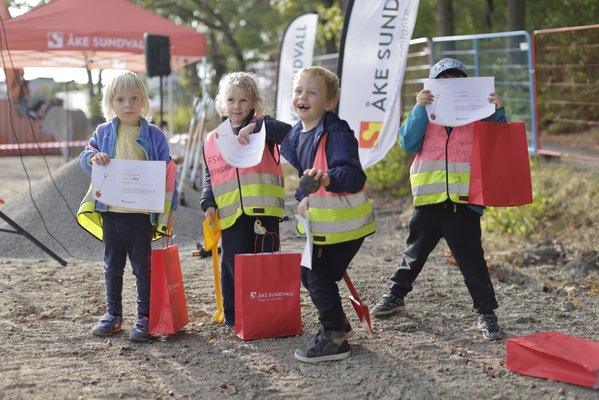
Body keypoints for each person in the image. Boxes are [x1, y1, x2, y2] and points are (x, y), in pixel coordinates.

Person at [371, 58, 505, 341]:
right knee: (414, 253)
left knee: (472, 261)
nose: (450, 86)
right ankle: (395, 296)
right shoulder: (424, 113)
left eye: (457, 80)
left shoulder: (478, 116)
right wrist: (420, 107)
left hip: (463, 202)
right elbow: (407, 142)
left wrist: (497, 111)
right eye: (442, 81)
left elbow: (498, 142)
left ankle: (487, 313)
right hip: (429, 202)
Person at [280, 66, 376, 363]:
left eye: (311, 93)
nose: (302, 97)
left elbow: (353, 176)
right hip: (325, 226)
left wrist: (327, 178)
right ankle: (338, 323)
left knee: (318, 276)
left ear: (329, 103)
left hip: (347, 225)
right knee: (309, 274)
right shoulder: (298, 134)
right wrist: (302, 196)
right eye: (298, 91)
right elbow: (304, 178)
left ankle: (334, 337)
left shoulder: (336, 133)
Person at [78, 70, 178, 342]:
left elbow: (169, 175)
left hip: (141, 216)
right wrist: (92, 158)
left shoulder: (155, 135)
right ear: (110, 102)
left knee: (143, 268)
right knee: (112, 266)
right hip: (111, 213)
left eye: (134, 98)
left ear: (144, 100)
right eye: (120, 99)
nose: (128, 104)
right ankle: (113, 315)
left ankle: (145, 317)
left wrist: (169, 213)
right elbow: (84, 155)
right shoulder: (103, 132)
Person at [200, 71, 291, 328]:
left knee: (265, 260)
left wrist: (258, 127)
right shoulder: (213, 139)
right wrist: (208, 203)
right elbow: (211, 176)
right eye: (231, 100)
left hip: (264, 212)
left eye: (243, 100)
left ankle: (268, 309)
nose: (236, 106)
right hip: (230, 214)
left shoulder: (266, 127)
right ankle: (234, 316)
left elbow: (290, 133)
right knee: (233, 263)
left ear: (254, 103)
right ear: (222, 103)